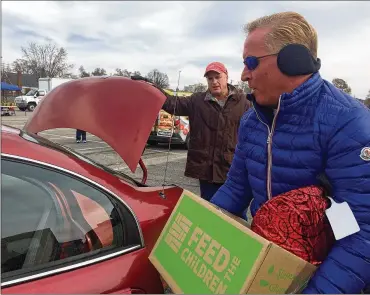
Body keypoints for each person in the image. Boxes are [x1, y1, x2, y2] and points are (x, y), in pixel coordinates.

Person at [210, 11, 370, 293]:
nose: (244, 75)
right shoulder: (252, 119)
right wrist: (198, 229)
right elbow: (236, 188)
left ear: (293, 61)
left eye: (250, 62)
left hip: (322, 273)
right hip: (264, 267)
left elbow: (361, 234)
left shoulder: (349, 123)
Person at [161, 62, 250, 200]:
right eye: (210, 78)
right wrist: (150, 88)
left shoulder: (243, 102)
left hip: (233, 171)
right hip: (207, 173)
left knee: (235, 215)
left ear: (226, 76)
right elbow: (172, 103)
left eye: (217, 77)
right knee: (210, 211)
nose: (214, 81)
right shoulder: (197, 101)